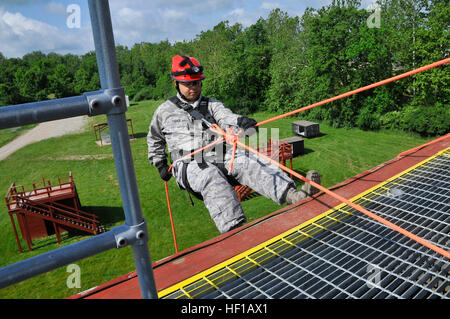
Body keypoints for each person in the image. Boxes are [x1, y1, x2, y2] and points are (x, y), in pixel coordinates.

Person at [147, 55, 321, 234]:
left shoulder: (211, 104)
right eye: (189, 84)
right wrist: (159, 162)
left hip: (218, 153)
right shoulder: (164, 112)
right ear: (176, 83)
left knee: (250, 160)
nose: (194, 87)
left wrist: (241, 121)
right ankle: (235, 231)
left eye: (197, 83)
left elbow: (226, 117)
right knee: (209, 175)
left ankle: (294, 196)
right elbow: (154, 139)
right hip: (188, 163)